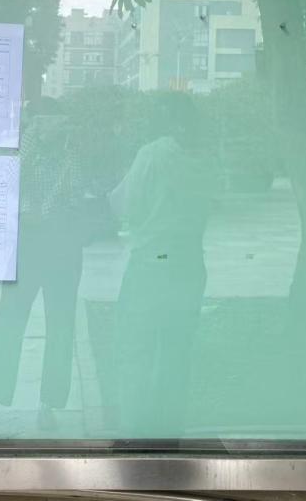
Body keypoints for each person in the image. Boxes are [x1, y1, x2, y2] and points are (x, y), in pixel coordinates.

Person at [0, 96, 101, 431]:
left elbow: (77, 192)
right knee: (8, 321)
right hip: (28, 243)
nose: (59, 127)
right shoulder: (24, 152)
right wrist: (31, 144)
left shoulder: (71, 152)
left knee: (61, 325)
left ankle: (48, 404)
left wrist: (61, 208)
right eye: (49, 121)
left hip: (63, 245)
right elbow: (8, 188)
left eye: (58, 121)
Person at [110, 91, 213, 436]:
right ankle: (170, 429)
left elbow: (126, 205)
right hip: (190, 263)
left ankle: (136, 428)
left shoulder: (152, 155)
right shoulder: (206, 157)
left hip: (151, 263)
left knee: (136, 348)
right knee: (177, 351)